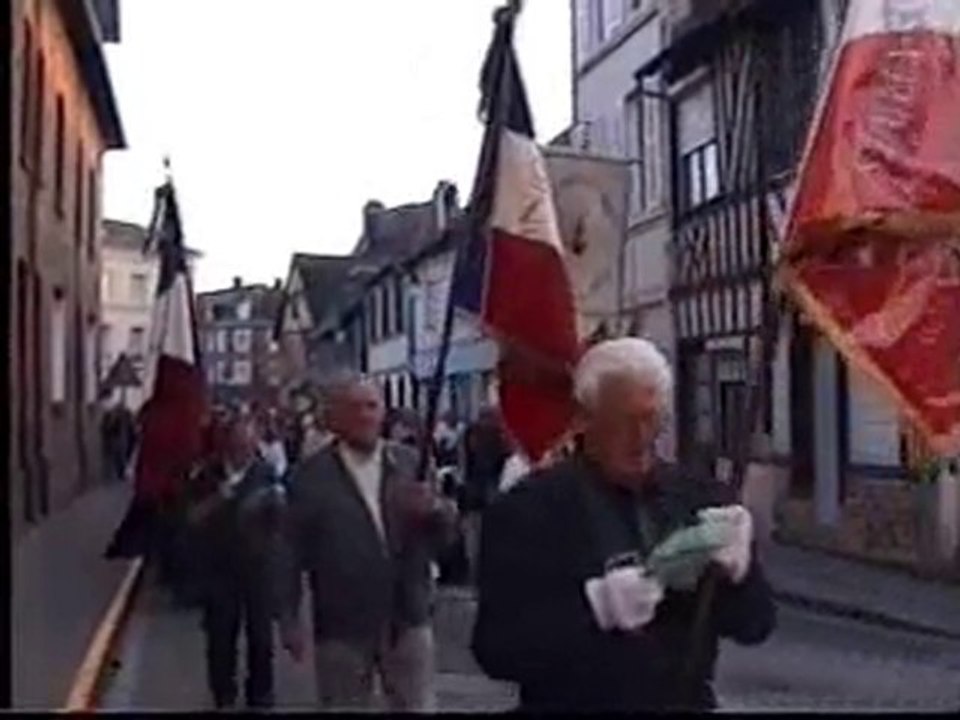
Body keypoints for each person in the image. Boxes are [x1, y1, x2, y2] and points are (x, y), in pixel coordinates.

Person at [471, 338, 776, 712]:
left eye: (652, 418)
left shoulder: (697, 498)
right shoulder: (527, 510)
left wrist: (740, 574)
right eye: (623, 421)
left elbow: (754, 626)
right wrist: (596, 608)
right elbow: (497, 650)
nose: (641, 438)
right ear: (584, 419)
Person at [277, 372, 458, 712]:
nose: (364, 416)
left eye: (371, 406)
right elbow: (288, 551)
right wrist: (288, 618)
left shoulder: (410, 464)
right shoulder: (309, 477)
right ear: (334, 418)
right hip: (343, 622)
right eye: (353, 408)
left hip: (406, 615)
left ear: (383, 412)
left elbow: (447, 539)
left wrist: (433, 509)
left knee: (416, 705)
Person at [187, 414, 287, 711]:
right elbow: (190, 520)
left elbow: (281, 524)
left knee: (261, 637)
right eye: (239, 443)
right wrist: (219, 497)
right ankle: (223, 695)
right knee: (220, 637)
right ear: (227, 443)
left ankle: (261, 695)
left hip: (258, 569)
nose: (244, 450)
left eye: (250, 443)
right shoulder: (207, 474)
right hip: (219, 569)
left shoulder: (266, 473)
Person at [461, 407, 510, 580]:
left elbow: (466, 463)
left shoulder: (470, 433)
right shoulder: (499, 435)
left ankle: (475, 574)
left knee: (474, 537)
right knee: (488, 537)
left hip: (473, 492)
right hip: (491, 492)